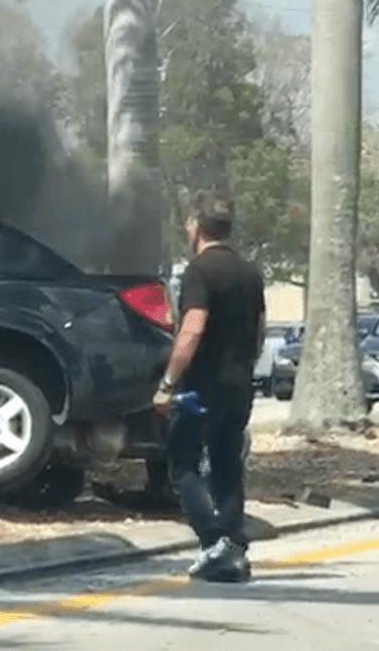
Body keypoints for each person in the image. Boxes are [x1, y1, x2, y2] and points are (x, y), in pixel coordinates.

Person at [153, 189, 265, 584]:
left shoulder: (199, 271)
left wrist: (168, 382)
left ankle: (213, 541)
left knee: (182, 464)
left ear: (196, 226)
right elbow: (259, 331)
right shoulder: (250, 272)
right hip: (239, 386)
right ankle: (232, 546)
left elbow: (193, 328)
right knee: (227, 464)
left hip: (202, 388)